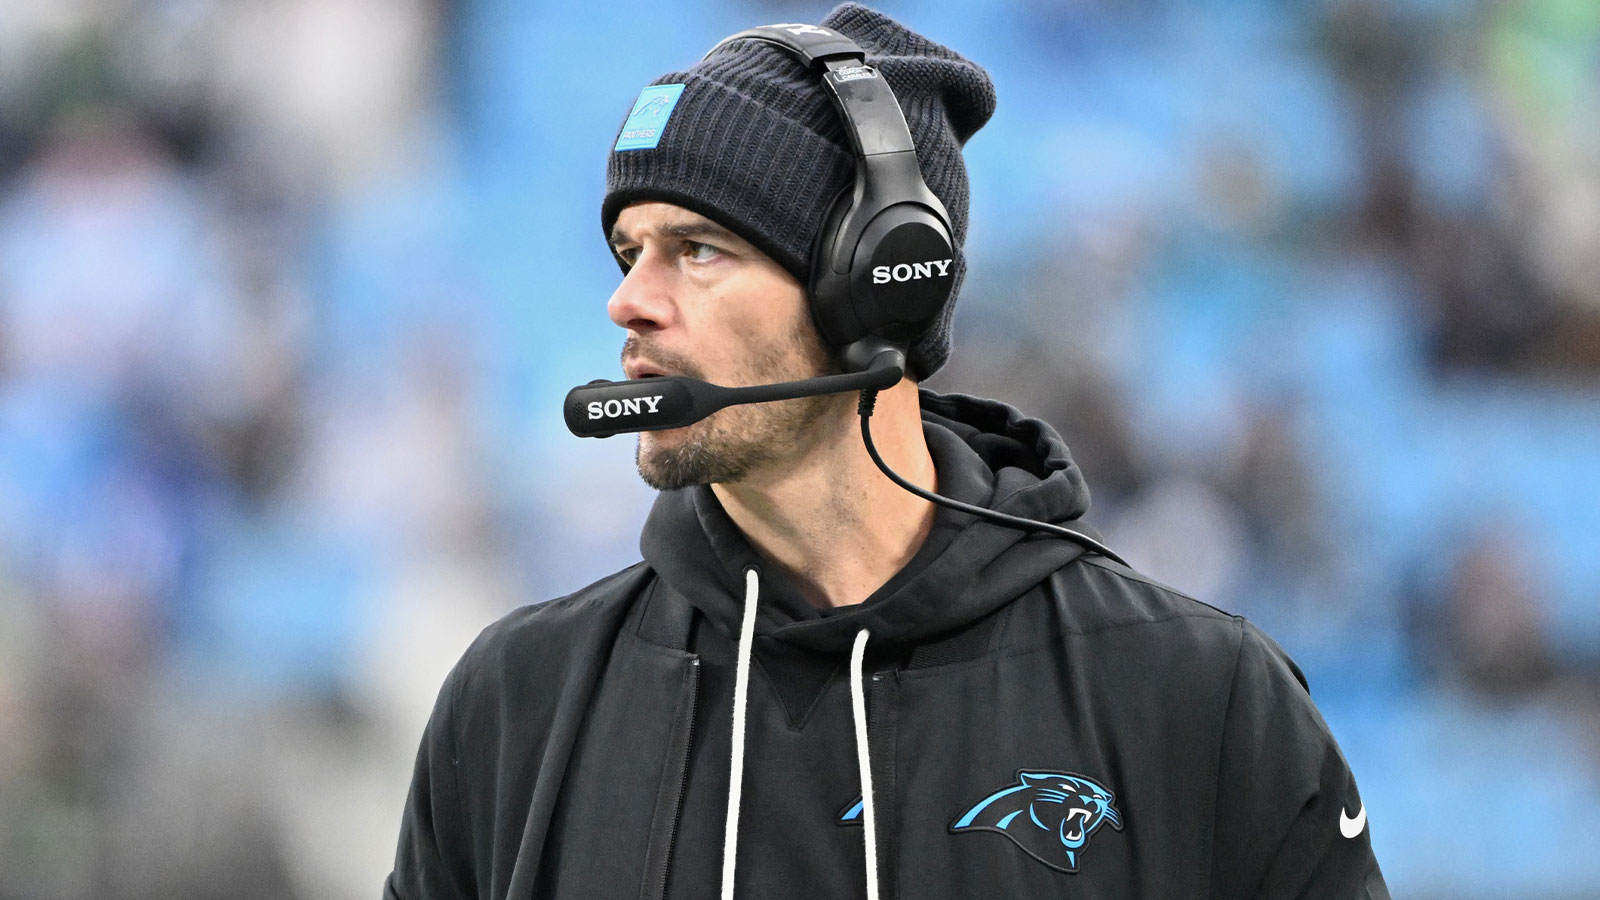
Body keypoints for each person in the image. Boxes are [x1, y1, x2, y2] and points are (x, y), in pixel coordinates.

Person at [385, 5, 1390, 898]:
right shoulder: (516, 702)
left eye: (698, 250)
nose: (629, 301)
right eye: (629, 252)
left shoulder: (1193, 696)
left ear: (875, 290)